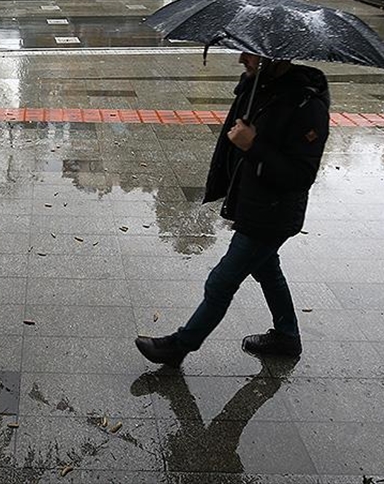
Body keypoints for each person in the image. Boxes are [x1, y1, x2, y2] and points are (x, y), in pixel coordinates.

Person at [135, 52, 330, 364]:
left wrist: (253, 145)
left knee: (221, 281)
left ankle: (179, 347)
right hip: (253, 203)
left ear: (274, 56)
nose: (241, 58)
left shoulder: (307, 105)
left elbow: (301, 175)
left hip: (273, 214)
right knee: (267, 269)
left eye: (249, 54)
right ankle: (288, 337)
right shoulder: (259, 88)